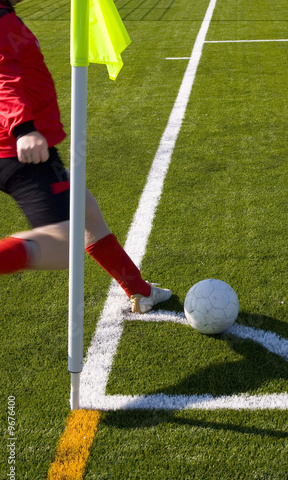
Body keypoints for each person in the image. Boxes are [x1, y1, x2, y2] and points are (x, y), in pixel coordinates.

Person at [0, 0, 172, 313]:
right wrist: (23, 127)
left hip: (18, 142)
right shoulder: (2, 22)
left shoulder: (6, 16)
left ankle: (139, 290)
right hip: (18, 148)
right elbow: (3, 79)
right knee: (65, 245)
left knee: (86, 213)